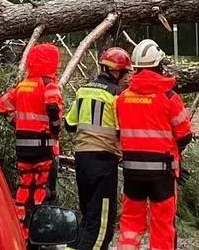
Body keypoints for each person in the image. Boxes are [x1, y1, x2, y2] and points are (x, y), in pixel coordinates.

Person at [114, 39, 192, 250]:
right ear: (159, 65)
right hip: (162, 173)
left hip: (132, 171)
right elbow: (184, 135)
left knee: (130, 223)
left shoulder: (122, 99)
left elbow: (119, 132)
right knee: (162, 226)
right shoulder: (169, 97)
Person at [64, 46, 131, 250]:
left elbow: (69, 124)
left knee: (87, 220)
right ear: (116, 71)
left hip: (82, 161)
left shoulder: (83, 91)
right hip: (103, 162)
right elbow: (123, 130)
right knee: (102, 227)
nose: (127, 78)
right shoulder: (116, 96)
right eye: (125, 73)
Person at [0, 43, 64, 236]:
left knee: (24, 187)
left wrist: (16, 123)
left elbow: (2, 105)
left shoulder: (22, 86)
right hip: (44, 146)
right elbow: (52, 106)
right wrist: (55, 129)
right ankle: (41, 233)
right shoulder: (48, 84)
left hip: (23, 148)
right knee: (43, 190)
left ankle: (20, 231)